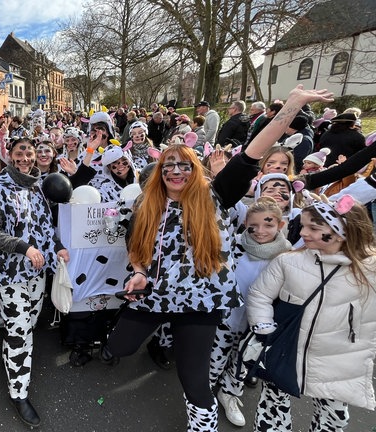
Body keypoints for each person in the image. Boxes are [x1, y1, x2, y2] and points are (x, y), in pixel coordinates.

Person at [106, 85, 334, 430]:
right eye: (169, 165)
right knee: (119, 347)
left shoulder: (216, 194)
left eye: (185, 165)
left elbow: (253, 152)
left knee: (193, 377)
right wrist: (137, 271)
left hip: (201, 301)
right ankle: (163, 331)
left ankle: (203, 425)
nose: (176, 171)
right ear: (161, 171)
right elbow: (133, 241)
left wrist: (292, 105)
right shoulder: (146, 203)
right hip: (154, 293)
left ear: (195, 169)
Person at [246, 197, 376, 431]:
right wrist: (265, 329)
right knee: (273, 409)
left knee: (333, 418)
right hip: (285, 351)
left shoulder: (369, 269)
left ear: (344, 230)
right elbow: (260, 295)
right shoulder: (288, 261)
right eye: (303, 225)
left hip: (339, 360)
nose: (303, 232)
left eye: (314, 228)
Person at [0, 137, 70, 428]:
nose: (26, 157)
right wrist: (23, 247)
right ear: (9, 155)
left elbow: (45, 227)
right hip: (10, 275)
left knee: (26, 327)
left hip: (36, 275)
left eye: (30, 153)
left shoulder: (37, 188)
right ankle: (19, 393)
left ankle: (13, 357)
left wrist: (57, 247)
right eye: (20, 152)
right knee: (20, 331)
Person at [212, 198, 291, 427]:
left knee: (242, 362)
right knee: (215, 356)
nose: (260, 231)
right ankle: (204, 391)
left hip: (257, 325)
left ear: (281, 225)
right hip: (226, 317)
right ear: (245, 222)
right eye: (253, 225)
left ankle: (229, 394)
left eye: (268, 225)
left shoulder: (287, 255)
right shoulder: (234, 245)